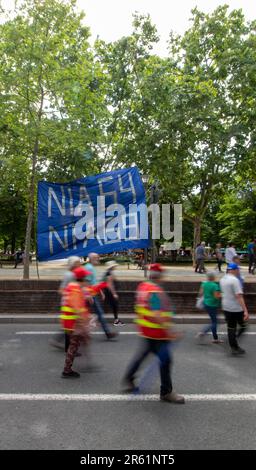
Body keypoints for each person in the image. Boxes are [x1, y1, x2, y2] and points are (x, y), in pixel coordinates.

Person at [122, 263, 185, 404]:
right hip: (157, 332)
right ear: (159, 276)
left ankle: (129, 377)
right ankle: (166, 392)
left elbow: (141, 308)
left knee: (143, 355)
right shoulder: (155, 291)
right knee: (166, 361)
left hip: (146, 330)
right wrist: (170, 331)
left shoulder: (143, 287)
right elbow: (157, 313)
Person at [61, 267, 107, 378]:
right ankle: (67, 370)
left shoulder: (73, 286)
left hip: (70, 321)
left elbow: (90, 290)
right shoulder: (76, 290)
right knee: (74, 345)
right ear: (82, 278)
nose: (87, 280)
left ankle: (85, 364)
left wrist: (102, 286)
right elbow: (77, 308)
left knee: (80, 343)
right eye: (86, 278)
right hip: (74, 323)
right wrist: (83, 324)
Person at [50, 256, 81, 351]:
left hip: (71, 303)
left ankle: (61, 343)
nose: (79, 264)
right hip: (69, 305)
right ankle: (68, 348)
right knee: (70, 327)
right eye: (77, 263)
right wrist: (70, 297)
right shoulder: (69, 275)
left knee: (69, 326)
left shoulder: (73, 274)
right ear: (72, 264)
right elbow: (61, 290)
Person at [85, 253, 116, 340]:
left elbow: (93, 283)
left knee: (97, 314)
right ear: (92, 259)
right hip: (90, 295)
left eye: (98, 258)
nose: (98, 259)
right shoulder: (89, 268)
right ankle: (107, 333)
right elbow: (87, 282)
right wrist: (88, 295)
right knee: (99, 314)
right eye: (96, 258)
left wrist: (100, 291)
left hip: (91, 294)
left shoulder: (91, 267)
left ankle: (107, 333)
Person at [220, 262, 249, 355]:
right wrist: (245, 310)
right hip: (236, 308)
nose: (238, 271)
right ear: (234, 270)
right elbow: (239, 296)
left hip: (226, 307)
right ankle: (235, 339)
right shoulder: (234, 280)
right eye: (237, 270)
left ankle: (234, 346)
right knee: (243, 326)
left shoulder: (222, 279)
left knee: (231, 327)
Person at [196, 272, 222, 344]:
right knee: (215, 322)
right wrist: (222, 295)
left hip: (206, 304)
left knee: (214, 321)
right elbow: (216, 297)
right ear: (213, 277)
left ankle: (215, 338)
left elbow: (201, 293)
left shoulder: (204, 284)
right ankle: (203, 333)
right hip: (213, 305)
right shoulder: (215, 286)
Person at [102, 261, 123, 326]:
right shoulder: (109, 273)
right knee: (114, 306)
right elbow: (110, 284)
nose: (115, 267)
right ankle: (116, 321)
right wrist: (114, 293)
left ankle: (116, 320)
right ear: (112, 266)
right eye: (114, 266)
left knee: (108, 307)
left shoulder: (108, 272)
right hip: (109, 292)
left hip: (108, 292)